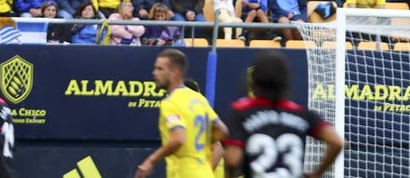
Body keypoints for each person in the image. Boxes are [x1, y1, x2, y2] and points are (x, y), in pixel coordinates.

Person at [222, 50, 344, 178]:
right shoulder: (301, 114)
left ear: (255, 79)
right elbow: (337, 142)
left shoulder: (241, 112)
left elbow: (232, 159)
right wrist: (316, 174)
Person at [134, 49, 226, 178]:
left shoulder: (171, 102)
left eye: (160, 69)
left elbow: (178, 138)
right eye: (155, 68)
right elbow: (222, 130)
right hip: (205, 173)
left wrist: (150, 160)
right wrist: (199, 144)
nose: (154, 73)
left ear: (175, 73)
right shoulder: (199, 99)